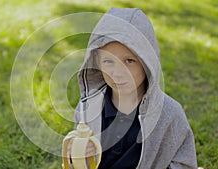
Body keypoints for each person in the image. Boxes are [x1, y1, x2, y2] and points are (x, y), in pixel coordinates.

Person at [74, 7, 197, 168]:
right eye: (108, 61)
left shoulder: (170, 114)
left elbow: (184, 163)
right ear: (97, 61)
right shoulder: (87, 107)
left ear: (147, 62)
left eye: (129, 61)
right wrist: (76, 154)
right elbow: (78, 160)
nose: (118, 73)